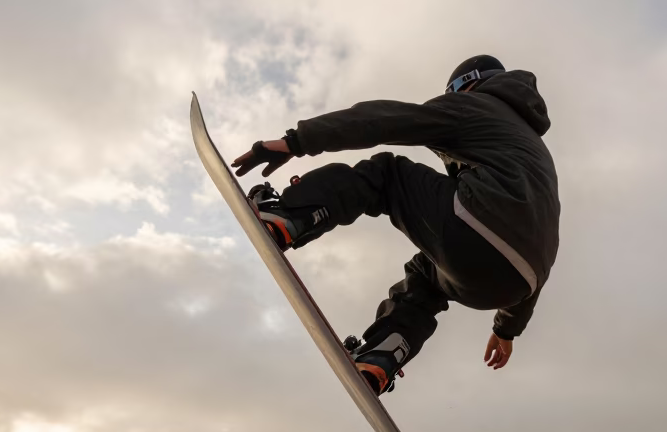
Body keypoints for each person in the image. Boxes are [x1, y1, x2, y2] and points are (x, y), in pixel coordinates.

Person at [231, 55, 559, 395]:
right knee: (426, 276)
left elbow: (389, 120)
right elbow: (531, 244)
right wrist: (507, 330)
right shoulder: (534, 154)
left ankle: (289, 216)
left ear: (465, 86)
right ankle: (382, 356)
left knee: (388, 175)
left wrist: (297, 141)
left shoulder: (474, 105)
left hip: (481, 229)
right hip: (515, 284)